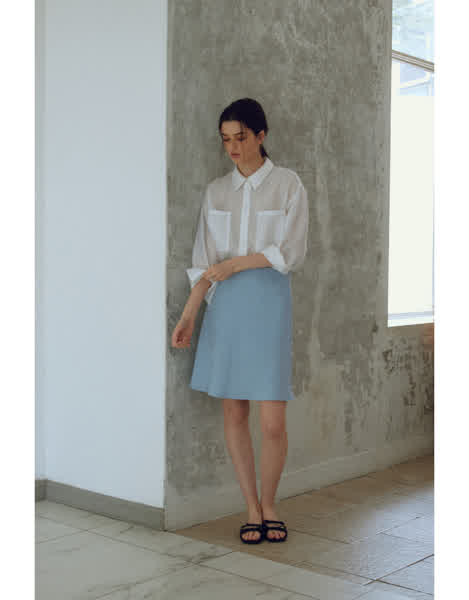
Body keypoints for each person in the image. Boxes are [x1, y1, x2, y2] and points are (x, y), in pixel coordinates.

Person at [171, 98, 309, 544]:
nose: (232, 147)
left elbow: (290, 252)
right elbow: (205, 261)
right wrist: (189, 314)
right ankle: (251, 508)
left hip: (268, 303)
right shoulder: (216, 192)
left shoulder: (287, 185)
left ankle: (271, 505)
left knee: (272, 422)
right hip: (225, 306)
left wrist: (236, 265)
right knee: (234, 412)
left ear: (261, 136)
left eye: (241, 138)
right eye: (226, 139)